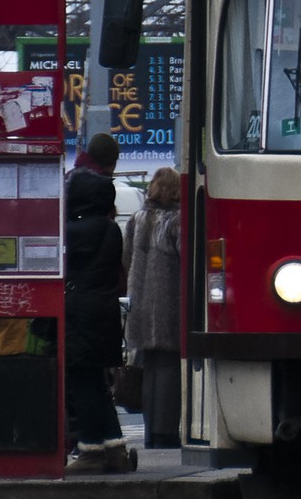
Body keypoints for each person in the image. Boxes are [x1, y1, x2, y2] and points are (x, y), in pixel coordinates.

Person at [64, 132, 135, 475]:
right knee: (97, 384)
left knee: (82, 383)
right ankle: (115, 448)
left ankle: (91, 449)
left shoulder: (73, 232)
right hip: (105, 312)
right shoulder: (111, 229)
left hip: (79, 313)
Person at [124, 167, 182, 448]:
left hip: (141, 305)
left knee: (150, 368)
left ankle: (150, 433)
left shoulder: (137, 219)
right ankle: (165, 433)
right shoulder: (178, 220)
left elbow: (127, 260)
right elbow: (188, 260)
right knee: (170, 368)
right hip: (169, 303)